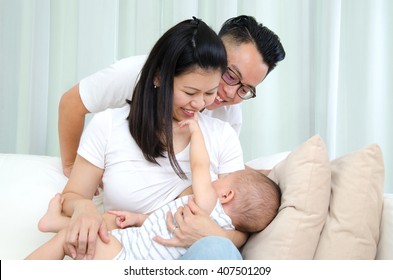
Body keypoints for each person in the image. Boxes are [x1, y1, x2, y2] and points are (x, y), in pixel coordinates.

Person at [57, 15, 286, 259]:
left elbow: (234, 205)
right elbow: (72, 103)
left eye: (244, 89)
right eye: (230, 75)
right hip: (128, 252)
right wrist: (73, 170)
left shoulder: (225, 124)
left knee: (218, 250)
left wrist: (213, 233)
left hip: (194, 255)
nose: (228, 92)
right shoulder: (123, 99)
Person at [26, 116, 280, 260]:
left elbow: (200, 166)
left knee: (66, 242)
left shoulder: (207, 203)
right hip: (136, 245)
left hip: (128, 258)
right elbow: (165, 223)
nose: (217, 179)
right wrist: (139, 218)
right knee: (107, 225)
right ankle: (56, 223)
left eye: (224, 179)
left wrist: (196, 133)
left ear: (226, 194)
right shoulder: (217, 222)